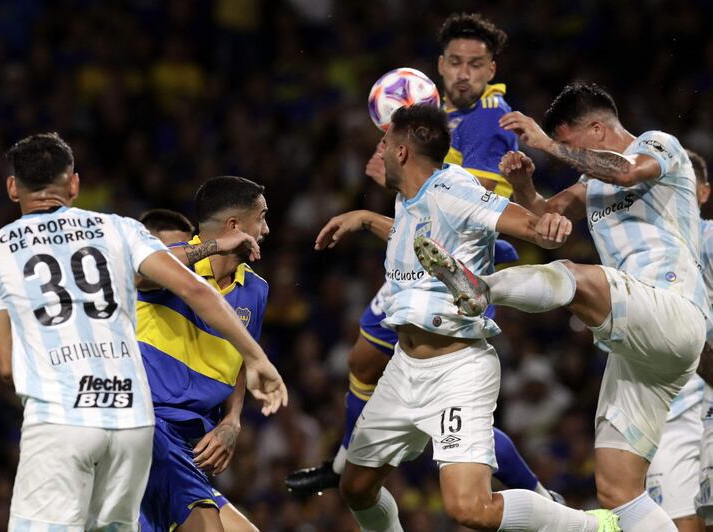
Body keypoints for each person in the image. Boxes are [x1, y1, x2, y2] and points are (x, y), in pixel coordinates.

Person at [286, 12, 556, 504]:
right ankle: (343, 462)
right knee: (363, 360)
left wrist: (399, 170)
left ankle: (540, 496)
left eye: (475, 64)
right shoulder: (431, 114)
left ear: (492, 69)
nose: (464, 74)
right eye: (455, 62)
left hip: (457, 271)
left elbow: (461, 198)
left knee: (446, 413)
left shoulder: (491, 119)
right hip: (416, 258)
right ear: (439, 65)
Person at [419, 82, 708, 532]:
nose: (570, 156)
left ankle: (483, 290)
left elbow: (628, 172)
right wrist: (523, 185)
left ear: (597, 130)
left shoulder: (657, 145)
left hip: (674, 309)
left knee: (576, 276)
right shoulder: (592, 183)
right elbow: (545, 217)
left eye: (571, 144)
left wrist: (548, 144)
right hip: (639, 347)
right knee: (618, 489)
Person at [318, 104, 618, 531]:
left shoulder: (453, 188)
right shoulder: (410, 199)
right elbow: (415, 236)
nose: (378, 152)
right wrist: (367, 219)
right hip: (403, 370)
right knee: (356, 488)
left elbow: (527, 225)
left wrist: (545, 228)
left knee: (469, 509)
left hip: (456, 370)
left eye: (384, 144)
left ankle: (592, 527)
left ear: (401, 152)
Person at [0, 133, 287, 531]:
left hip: (63, 416)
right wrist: (259, 358)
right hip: (131, 417)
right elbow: (193, 289)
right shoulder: (115, 229)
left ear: (12, 187)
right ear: (74, 184)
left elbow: (6, 366)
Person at [136, 179, 270, 532]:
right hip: (150, 423)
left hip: (189, 443)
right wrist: (214, 247)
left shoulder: (256, 289)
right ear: (234, 226)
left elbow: (242, 360)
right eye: (261, 218)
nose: (266, 230)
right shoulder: (175, 262)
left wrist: (233, 421)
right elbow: (137, 272)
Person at [646, 151, 710, 532]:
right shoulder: (642, 251)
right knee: (681, 524)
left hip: (709, 402)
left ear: (702, 192)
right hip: (671, 411)